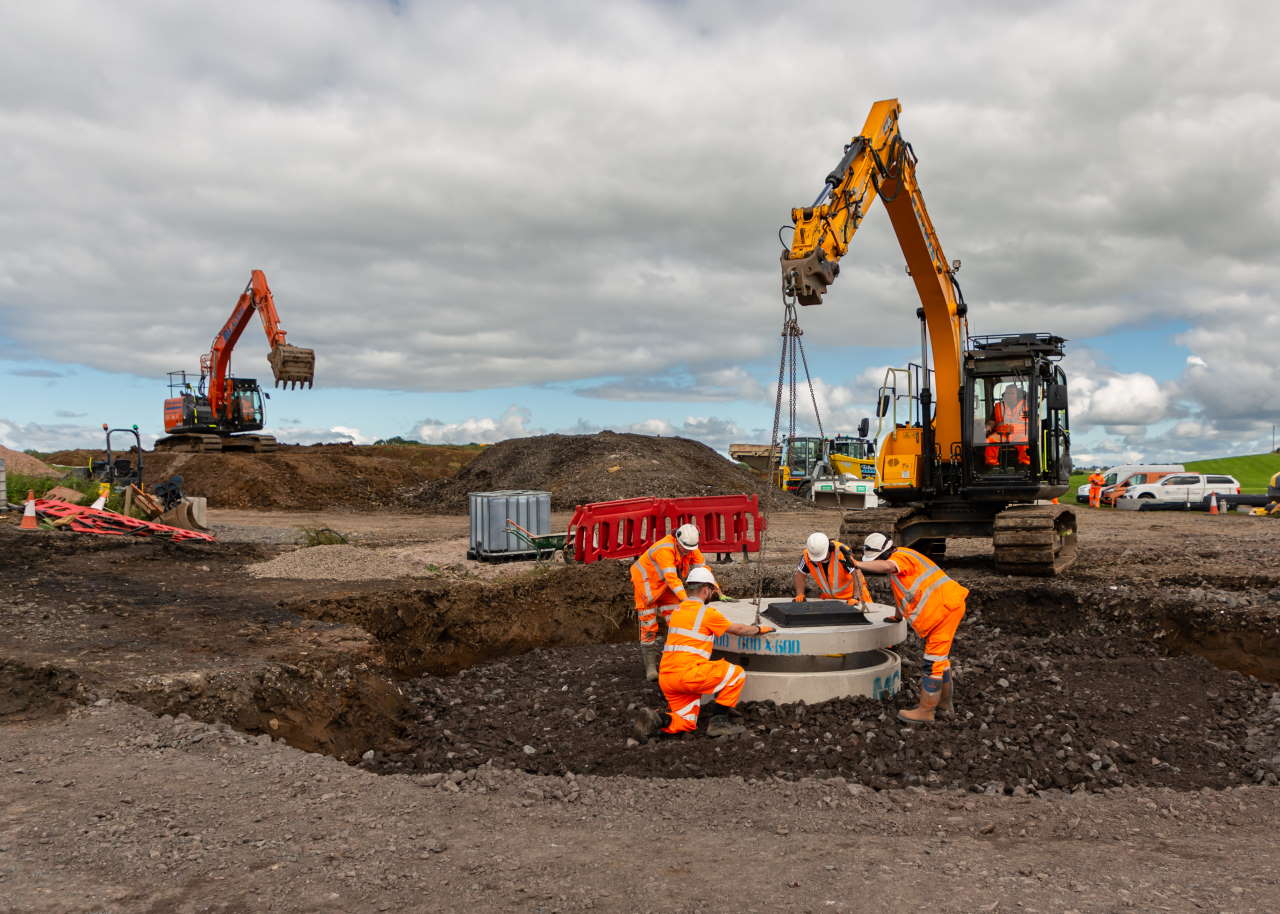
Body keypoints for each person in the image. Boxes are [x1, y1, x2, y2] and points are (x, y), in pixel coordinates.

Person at [631, 567, 774, 739]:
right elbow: (739, 629)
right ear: (706, 590)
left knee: (686, 721)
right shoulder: (707, 613)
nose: (712, 594)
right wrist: (759, 628)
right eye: (712, 590)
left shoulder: (677, 611)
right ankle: (719, 722)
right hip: (688, 675)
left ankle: (656, 719)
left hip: (668, 678)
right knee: (735, 674)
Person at [849, 532, 968, 724]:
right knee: (941, 661)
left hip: (943, 611)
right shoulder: (903, 558)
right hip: (946, 607)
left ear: (885, 554)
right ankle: (945, 706)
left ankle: (926, 711)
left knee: (933, 663)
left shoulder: (900, 558)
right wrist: (897, 616)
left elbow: (888, 566)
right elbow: (903, 592)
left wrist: (858, 564)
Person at [629, 523, 709, 681]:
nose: (687, 551)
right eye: (684, 547)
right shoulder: (664, 549)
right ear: (677, 539)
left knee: (676, 623)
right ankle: (651, 668)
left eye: (690, 549)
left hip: (666, 588)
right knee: (649, 628)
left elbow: (703, 571)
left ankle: (673, 662)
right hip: (647, 588)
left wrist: (717, 590)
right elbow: (672, 578)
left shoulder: (691, 548)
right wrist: (687, 600)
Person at [792, 532, 873, 604]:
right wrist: (800, 594)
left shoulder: (841, 552)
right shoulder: (807, 556)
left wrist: (856, 597)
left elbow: (857, 573)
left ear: (828, 547)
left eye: (821, 557)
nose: (819, 560)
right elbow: (799, 575)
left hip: (853, 599)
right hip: (831, 601)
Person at [987, 385, 1030, 467]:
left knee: (1025, 443)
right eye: (1008, 393)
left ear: (1018, 395)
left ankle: (1025, 466)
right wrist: (988, 426)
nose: (1010, 395)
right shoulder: (998, 406)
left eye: (1012, 393)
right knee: (990, 440)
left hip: (1021, 435)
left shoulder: (1027, 405)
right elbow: (992, 421)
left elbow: (1037, 420)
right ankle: (992, 465)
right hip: (1002, 434)